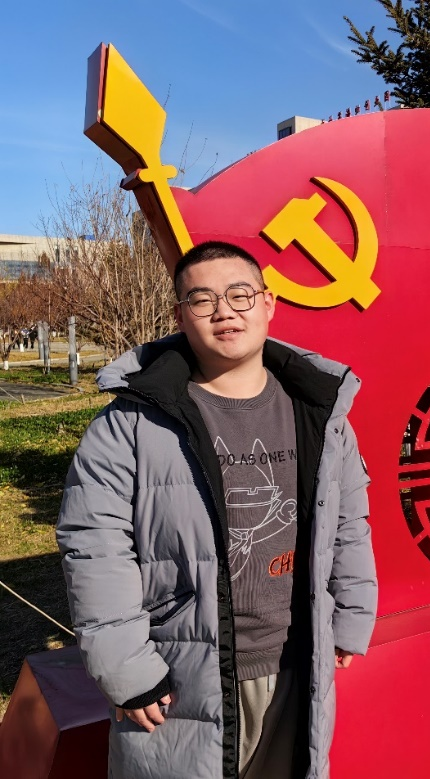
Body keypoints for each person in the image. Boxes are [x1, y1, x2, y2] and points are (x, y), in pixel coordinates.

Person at [56, 241, 377, 779]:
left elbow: (348, 521)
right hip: (182, 671)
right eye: (202, 299)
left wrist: (350, 615)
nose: (224, 311)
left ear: (268, 304)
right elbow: (94, 546)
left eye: (239, 294)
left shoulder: (320, 412)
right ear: (180, 315)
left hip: (297, 656)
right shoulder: (131, 423)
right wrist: (126, 668)